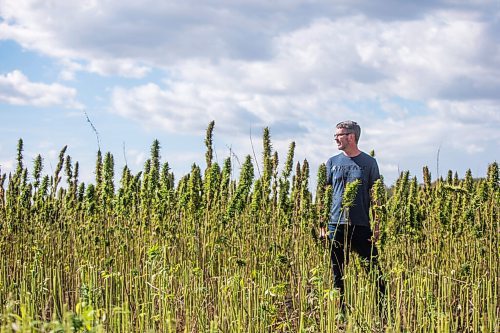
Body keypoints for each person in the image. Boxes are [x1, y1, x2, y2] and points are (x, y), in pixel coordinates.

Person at [321, 120, 385, 309]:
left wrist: (378, 227)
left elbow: (376, 197)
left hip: (361, 226)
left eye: (338, 135)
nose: (335, 139)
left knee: (374, 270)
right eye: (335, 135)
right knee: (337, 273)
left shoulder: (369, 163)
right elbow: (324, 195)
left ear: (351, 137)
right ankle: (341, 314)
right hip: (335, 225)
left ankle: (383, 313)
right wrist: (322, 226)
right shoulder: (332, 162)